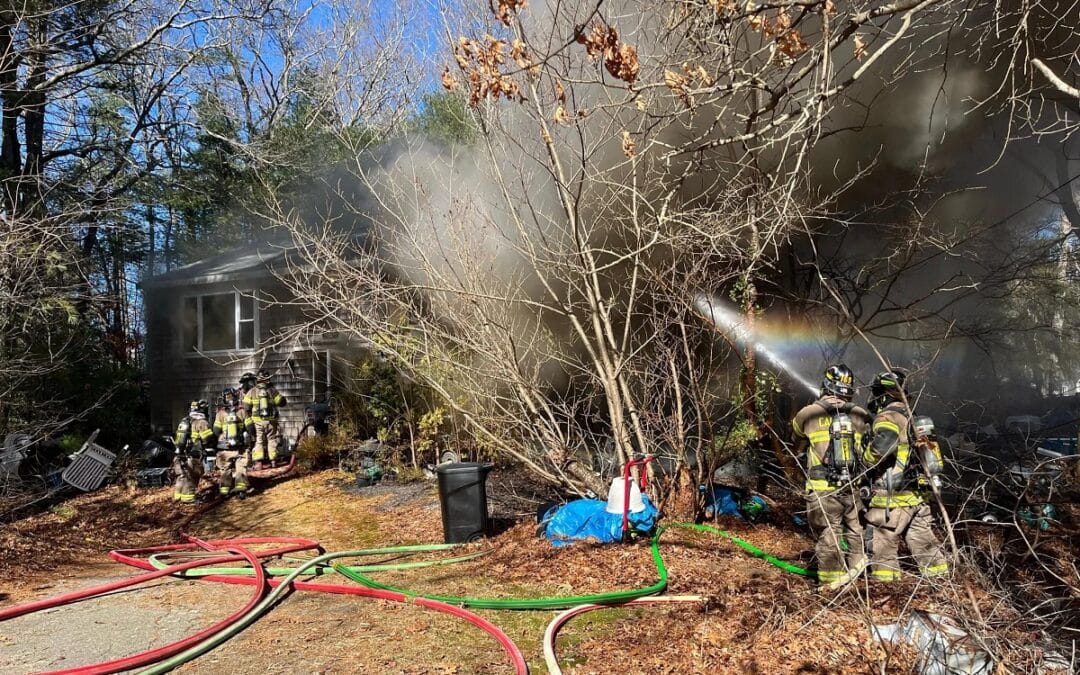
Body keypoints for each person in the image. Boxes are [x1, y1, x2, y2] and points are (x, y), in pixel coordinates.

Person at [862, 370, 949, 582]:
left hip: (892, 498)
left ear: (883, 395)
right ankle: (942, 585)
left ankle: (886, 589)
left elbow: (883, 445)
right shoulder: (912, 416)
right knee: (923, 542)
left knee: (881, 543)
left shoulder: (888, 416)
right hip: (917, 497)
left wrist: (865, 459)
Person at [792, 364, 871, 590]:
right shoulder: (860, 415)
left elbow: (796, 439)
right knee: (855, 531)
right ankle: (858, 581)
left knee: (829, 533)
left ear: (826, 385)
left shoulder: (808, 413)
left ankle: (832, 585)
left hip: (823, 488)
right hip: (853, 487)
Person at [172, 399, 215, 504]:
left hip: (179, 455)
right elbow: (207, 438)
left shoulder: (185, 420)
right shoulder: (201, 422)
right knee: (191, 477)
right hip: (193, 456)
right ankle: (189, 498)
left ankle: (178, 496)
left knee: (182, 476)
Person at [243, 369, 287, 469]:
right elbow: (282, 403)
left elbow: (246, 406)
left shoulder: (252, 391)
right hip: (271, 421)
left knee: (259, 441)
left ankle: (258, 463)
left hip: (257, 422)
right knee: (272, 440)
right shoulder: (272, 390)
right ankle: (273, 461)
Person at [213, 388, 249, 496]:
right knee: (240, 468)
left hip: (224, 448)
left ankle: (224, 491)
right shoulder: (242, 411)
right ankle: (241, 489)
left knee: (225, 470)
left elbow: (216, 431)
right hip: (240, 447)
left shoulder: (220, 414)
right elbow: (250, 428)